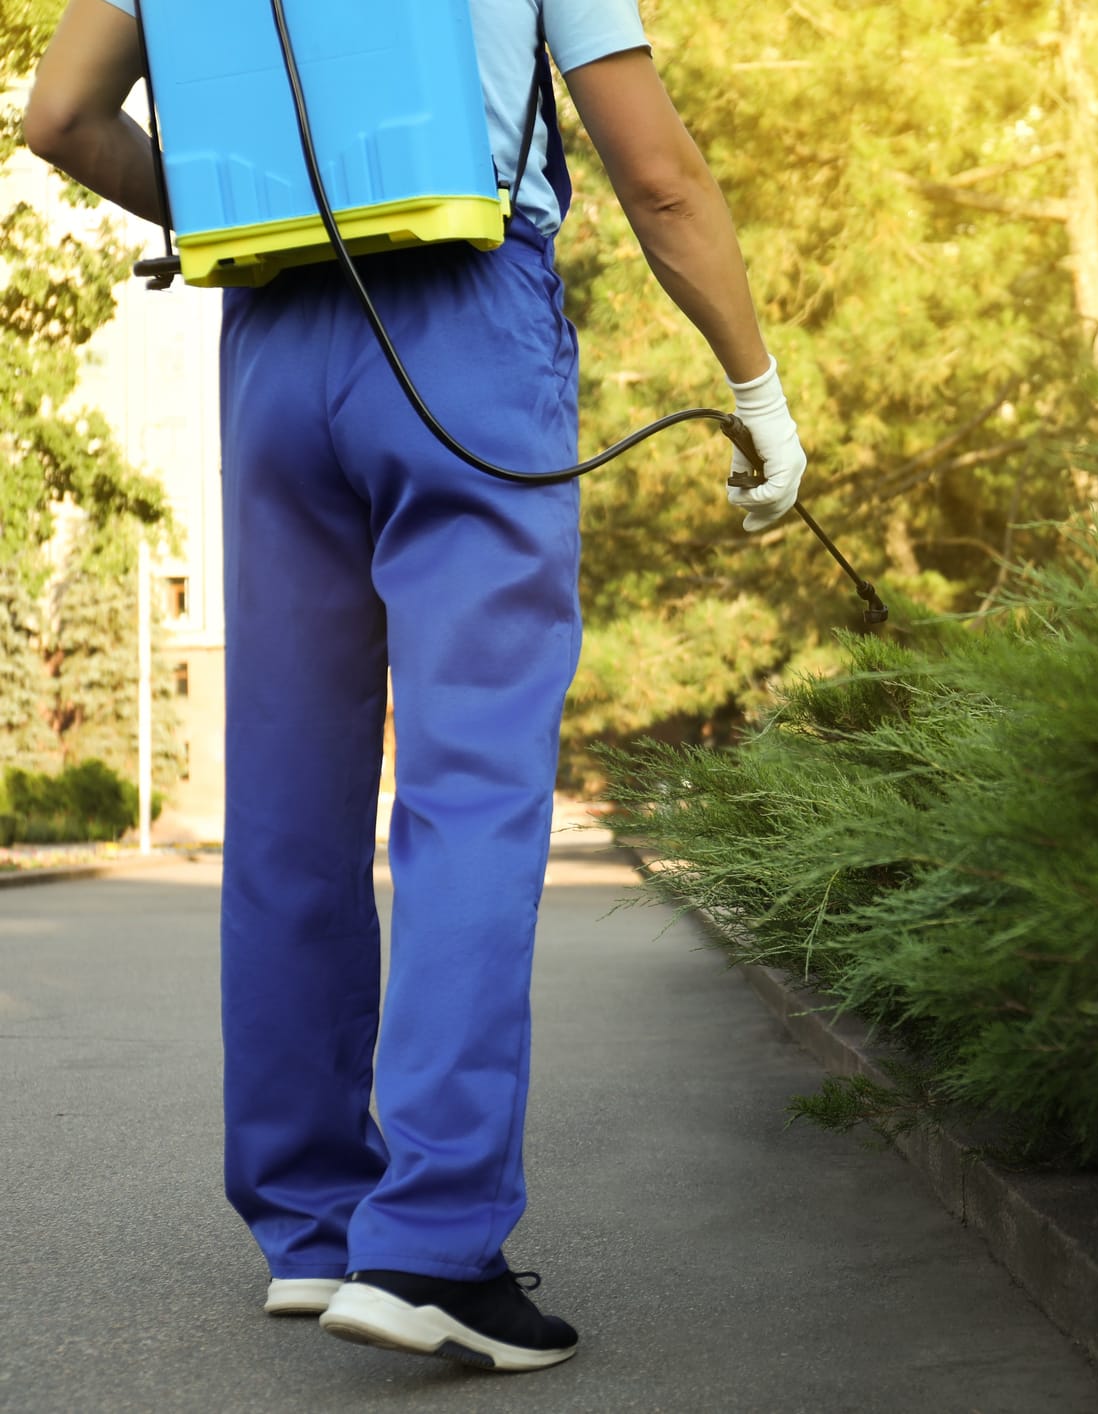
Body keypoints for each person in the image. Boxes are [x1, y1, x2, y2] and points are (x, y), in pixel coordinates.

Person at [24, 0, 804, 1372]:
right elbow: (660, 174)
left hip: (272, 339)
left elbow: (59, 119)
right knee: (472, 797)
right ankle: (430, 1248)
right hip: (458, 321)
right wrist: (759, 390)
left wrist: (209, 204)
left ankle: (313, 1224)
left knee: (285, 806)